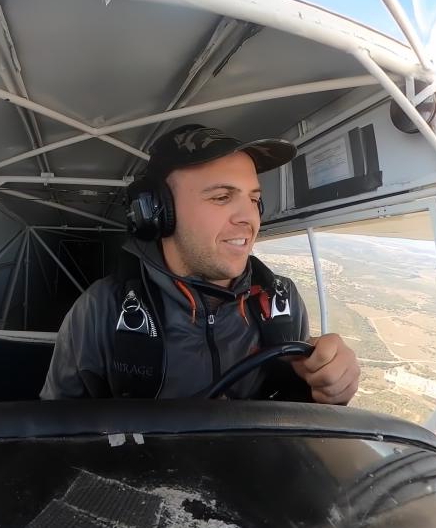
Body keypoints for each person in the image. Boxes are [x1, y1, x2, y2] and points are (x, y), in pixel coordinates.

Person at [40, 124, 360, 403]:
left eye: (253, 199)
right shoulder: (101, 309)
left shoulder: (281, 302)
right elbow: (58, 433)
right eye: (222, 197)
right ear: (156, 213)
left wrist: (326, 387)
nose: (249, 218)